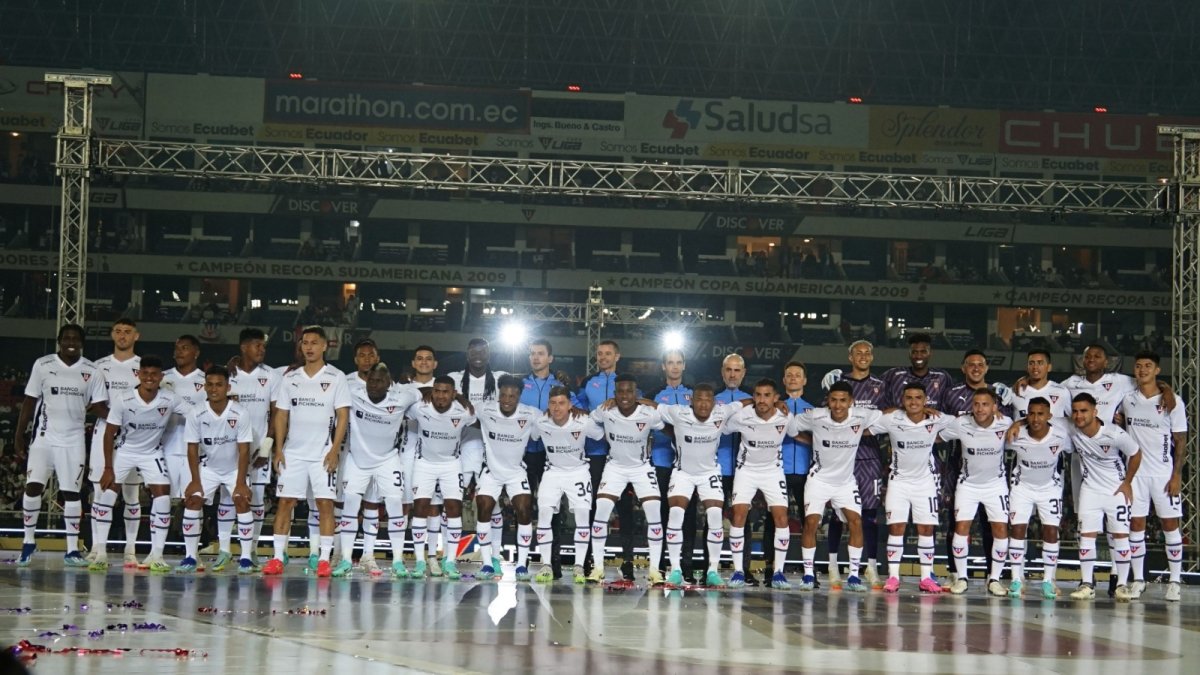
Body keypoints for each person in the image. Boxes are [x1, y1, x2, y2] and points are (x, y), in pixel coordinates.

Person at [263, 327, 351, 578]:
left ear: (325, 346)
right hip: (294, 453)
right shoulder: (290, 378)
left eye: (314, 343)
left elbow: (343, 416)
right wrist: (278, 449)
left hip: (323, 452)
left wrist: (335, 450)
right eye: (305, 343)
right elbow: (281, 414)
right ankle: (278, 557)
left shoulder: (336, 376)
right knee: (285, 503)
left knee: (325, 504)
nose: (309, 347)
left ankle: (324, 559)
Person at [14, 324, 105, 567]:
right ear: (59, 341)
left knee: (71, 493)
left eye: (75, 338)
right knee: (33, 487)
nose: (71, 342)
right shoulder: (42, 365)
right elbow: (30, 400)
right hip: (43, 438)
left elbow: (99, 407)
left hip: (73, 440)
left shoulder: (92, 370)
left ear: (82, 342)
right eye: (66, 338)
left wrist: (122, 419)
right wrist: (18, 435)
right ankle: (28, 541)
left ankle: (72, 550)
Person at [93, 355, 190, 572]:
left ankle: (156, 555)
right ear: (138, 374)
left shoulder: (170, 399)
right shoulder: (123, 399)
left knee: (163, 495)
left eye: (154, 374)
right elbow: (109, 434)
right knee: (108, 494)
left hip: (151, 453)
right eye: (145, 373)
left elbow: (195, 414)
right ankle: (100, 553)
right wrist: (108, 468)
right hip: (125, 451)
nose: (149, 378)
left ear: (161, 377)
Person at [791, 381, 883, 592]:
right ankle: (807, 575)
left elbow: (888, 418)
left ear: (851, 401)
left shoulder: (861, 415)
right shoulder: (816, 416)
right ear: (828, 401)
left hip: (845, 482)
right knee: (811, 523)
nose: (838, 405)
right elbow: (791, 427)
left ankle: (853, 577)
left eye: (843, 400)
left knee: (856, 522)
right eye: (834, 400)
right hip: (819, 480)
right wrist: (809, 441)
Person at [336, 363, 421, 578]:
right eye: (371, 380)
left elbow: (422, 392)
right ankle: (346, 560)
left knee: (395, 506)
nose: (374, 385)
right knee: (350, 507)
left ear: (389, 383)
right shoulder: (353, 393)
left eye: (379, 381)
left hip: (388, 460)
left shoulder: (402, 397)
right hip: (358, 460)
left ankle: (398, 561)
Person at [868, 383, 952, 593]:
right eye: (909, 398)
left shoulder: (937, 419)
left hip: (926, 483)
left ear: (925, 400)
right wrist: (882, 412)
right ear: (903, 401)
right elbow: (864, 425)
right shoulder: (892, 419)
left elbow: (966, 422)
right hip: (899, 482)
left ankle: (926, 578)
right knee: (896, 529)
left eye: (918, 398)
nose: (913, 402)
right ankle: (894, 577)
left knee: (926, 529)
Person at [939, 350, 1010, 585]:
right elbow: (939, 429)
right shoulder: (953, 397)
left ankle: (995, 577)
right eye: (971, 364)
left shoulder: (1003, 412)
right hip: (960, 469)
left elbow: (1022, 426)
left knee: (994, 527)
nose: (976, 368)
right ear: (963, 368)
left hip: (994, 480)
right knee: (958, 525)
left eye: (981, 364)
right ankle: (957, 575)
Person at [176, 366, 255, 574]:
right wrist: (195, 480)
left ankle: (246, 558)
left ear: (228, 387)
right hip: (209, 468)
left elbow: (244, 450)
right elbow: (192, 448)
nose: (214, 389)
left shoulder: (240, 412)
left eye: (219, 385)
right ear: (204, 387)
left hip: (234, 469)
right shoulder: (196, 413)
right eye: (210, 384)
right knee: (193, 500)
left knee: (241, 500)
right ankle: (191, 556)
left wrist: (240, 482)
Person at [1120, 351, 1186, 602]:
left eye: (1148, 366)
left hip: (1162, 474)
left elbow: (1181, 440)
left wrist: (1177, 475)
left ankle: (1175, 581)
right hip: (1135, 474)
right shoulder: (1127, 399)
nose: (1142, 370)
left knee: (1170, 526)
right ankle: (1138, 580)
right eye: (1138, 366)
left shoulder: (1172, 401)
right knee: (1135, 526)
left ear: (1157, 370)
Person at [588, 374, 665, 584]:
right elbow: (588, 422)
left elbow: (668, 426)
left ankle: (655, 570)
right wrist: (601, 435)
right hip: (615, 467)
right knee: (601, 507)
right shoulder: (605, 411)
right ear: (614, 394)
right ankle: (598, 568)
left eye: (629, 391)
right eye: (620, 391)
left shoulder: (648, 414)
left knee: (654, 512)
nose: (624, 396)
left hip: (641, 468)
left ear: (636, 393)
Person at [656, 382, 735, 587]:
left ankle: (712, 571)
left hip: (709, 472)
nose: (703, 404)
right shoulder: (678, 412)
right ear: (691, 401)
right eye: (699, 399)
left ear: (714, 402)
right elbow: (651, 406)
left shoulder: (722, 412)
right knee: (675, 513)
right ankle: (675, 570)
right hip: (683, 472)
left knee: (716, 515)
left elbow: (745, 403)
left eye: (707, 399)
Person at [722, 379, 798, 590]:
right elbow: (722, 428)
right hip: (746, 471)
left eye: (767, 395)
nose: (761, 400)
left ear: (776, 398)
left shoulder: (785, 417)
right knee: (738, 515)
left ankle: (778, 573)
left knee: (782, 518)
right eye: (758, 395)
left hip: (773, 471)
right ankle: (738, 571)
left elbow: (795, 433)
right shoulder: (741, 416)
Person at [822, 340, 886, 587]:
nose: (863, 356)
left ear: (872, 356)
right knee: (838, 516)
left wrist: (859, 430)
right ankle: (833, 566)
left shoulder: (881, 385)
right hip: (838, 459)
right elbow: (826, 414)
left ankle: (869, 567)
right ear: (850, 357)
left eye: (867, 352)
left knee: (869, 516)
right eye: (858, 352)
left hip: (869, 458)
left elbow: (890, 413)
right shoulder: (838, 383)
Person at [1066, 393, 1142, 601]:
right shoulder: (1072, 429)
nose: (1079, 415)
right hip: (1090, 490)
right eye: (1075, 411)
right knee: (1086, 537)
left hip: (1116, 491)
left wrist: (1127, 482)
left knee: (1120, 537)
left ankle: (1122, 585)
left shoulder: (1114, 433)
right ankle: (1087, 584)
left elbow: (1136, 453)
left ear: (1095, 412)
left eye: (1084, 411)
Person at [573, 340, 637, 580]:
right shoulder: (590, 382)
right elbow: (577, 405)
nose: (602, 357)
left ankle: (628, 560)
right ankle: (590, 559)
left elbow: (638, 407)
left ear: (617, 356)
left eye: (608, 353)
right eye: (599, 353)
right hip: (595, 453)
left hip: (623, 454)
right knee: (593, 508)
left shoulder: (627, 383)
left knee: (625, 509)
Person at [405, 376, 476, 579]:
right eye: (437, 391)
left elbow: (481, 423)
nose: (441, 396)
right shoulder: (420, 408)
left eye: (446, 392)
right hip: (424, 464)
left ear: (453, 394)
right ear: (432, 392)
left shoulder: (464, 411)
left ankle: (451, 562)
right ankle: (421, 561)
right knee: (420, 509)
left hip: (451, 465)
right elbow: (402, 406)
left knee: (454, 509)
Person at [532, 386, 605, 584]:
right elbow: (532, 437)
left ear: (570, 405)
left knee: (582, 517)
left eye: (561, 403)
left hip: (578, 472)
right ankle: (546, 565)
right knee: (544, 515)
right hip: (553, 472)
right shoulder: (540, 422)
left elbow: (602, 435)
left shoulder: (584, 421)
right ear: (548, 405)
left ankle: (579, 566)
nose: (557, 408)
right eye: (553, 403)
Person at [474, 375, 542, 581]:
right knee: (484, 506)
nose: (507, 399)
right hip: (491, 471)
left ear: (519, 396)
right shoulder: (484, 409)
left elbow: (552, 421)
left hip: (516, 472)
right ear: (498, 394)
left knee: (524, 509)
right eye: (503, 394)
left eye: (512, 396)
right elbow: (462, 407)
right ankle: (487, 564)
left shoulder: (531, 414)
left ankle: (521, 565)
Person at [87, 318, 143, 567]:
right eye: (118, 331)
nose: (122, 336)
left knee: (131, 494)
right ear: (112, 335)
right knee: (100, 492)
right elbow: (91, 403)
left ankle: (131, 550)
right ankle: (97, 549)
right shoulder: (98, 366)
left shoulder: (143, 367)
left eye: (127, 332)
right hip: (104, 435)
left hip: (134, 437)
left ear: (136, 336)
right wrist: (114, 419)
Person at [1006, 397, 1072, 599]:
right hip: (1022, 487)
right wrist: (1016, 424)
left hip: (1049, 488)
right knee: (1018, 529)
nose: (1035, 418)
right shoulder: (1015, 435)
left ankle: (1048, 580)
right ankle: (1017, 579)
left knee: (1051, 531)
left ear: (1049, 416)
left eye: (1040, 414)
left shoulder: (1061, 436)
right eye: (1031, 413)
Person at [449, 338, 508, 563]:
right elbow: (430, 388)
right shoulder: (456, 379)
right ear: (467, 353)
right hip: (460, 448)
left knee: (491, 503)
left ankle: (494, 553)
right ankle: (450, 554)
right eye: (473, 350)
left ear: (489, 354)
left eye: (482, 350)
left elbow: (522, 389)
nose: (477, 354)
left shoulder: (500, 378)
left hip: (492, 449)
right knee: (453, 500)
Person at [227, 327, 280, 567]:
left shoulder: (271, 375)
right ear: (243, 347)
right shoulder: (228, 374)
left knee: (257, 500)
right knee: (229, 499)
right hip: (230, 449)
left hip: (260, 451)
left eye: (264, 346)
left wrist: (267, 447)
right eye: (257, 345)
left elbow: (277, 413)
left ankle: (253, 549)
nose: (262, 350)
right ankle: (225, 550)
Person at [519, 339, 569, 577]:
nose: (536, 358)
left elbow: (574, 409)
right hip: (526, 453)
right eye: (532, 354)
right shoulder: (521, 384)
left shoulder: (560, 385)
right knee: (524, 507)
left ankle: (554, 562)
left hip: (552, 456)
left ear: (550, 358)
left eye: (540, 354)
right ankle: (523, 559)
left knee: (553, 509)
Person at [337, 339, 386, 570]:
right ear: (355, 359)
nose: (366, 359)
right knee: (346, 503)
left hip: (376, 453)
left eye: (371, 355)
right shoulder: (344, 381)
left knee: (372, 504)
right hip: (349, 451)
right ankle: (341, 554)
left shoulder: (386, 382)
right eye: (362, 355)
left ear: (377, 358)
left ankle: (368, 555)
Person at [650, 349, 696, 581]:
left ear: (684, 366)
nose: (675, 367)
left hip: (688, 466)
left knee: (687, 517)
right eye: (670, 363)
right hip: (661, 463)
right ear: (663, 367)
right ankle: (658, 566)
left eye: (679, 362)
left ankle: (685, 566)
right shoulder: (654, 395)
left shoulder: (694, 394)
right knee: (660, 515)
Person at [764, 362, 812, 578]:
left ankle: (808, 570)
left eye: (797, 375)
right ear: (783, 381)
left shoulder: (813, 410)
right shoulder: (773, 408)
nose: (793, 378)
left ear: (804, 380)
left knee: (808, 521)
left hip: (805, 472)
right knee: (772, 520)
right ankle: (770, 567)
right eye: (789, 375)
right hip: (778, 470)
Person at [710, 353, 754, 582]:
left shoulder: (754, 399)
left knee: (742, 520)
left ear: (743, 373)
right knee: (713, 519)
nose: (732, 374)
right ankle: (711, 569)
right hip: (716, 469)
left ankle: (743, 569)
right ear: (722, 371)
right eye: (729, 369)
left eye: (737, 370)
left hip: (744, 470)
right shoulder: (712, 400)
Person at [397, 346, 440, 572]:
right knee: (404, 505)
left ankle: (430, 556)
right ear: (413, 363)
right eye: (419, 359)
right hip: (406, 450)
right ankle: (402, 554)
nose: (424, 362)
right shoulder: (401, 388)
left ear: (435, 364)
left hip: (433, 455)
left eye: (429, 359)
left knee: (431, 506)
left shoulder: (443, 389)